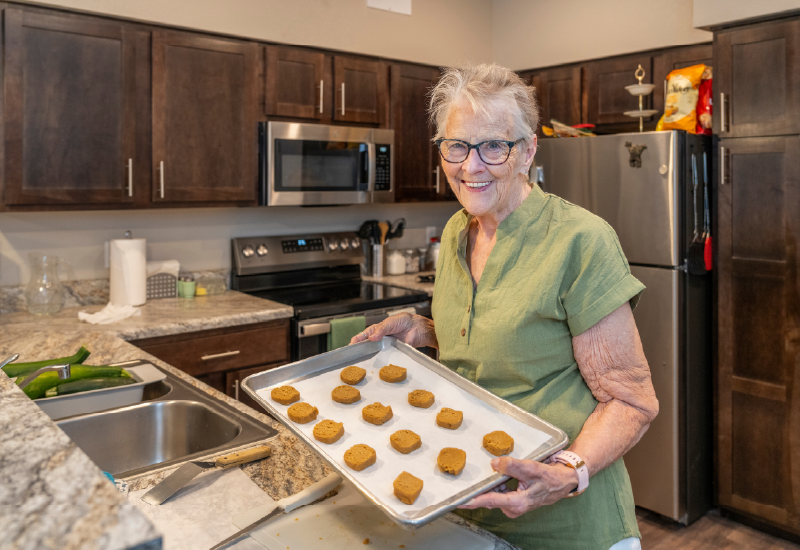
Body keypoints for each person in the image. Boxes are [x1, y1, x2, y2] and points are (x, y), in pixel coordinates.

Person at [350, 64, 659, 550]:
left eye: (494, 146)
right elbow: (499, 335)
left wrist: (566, 472)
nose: (471, 166)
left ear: (528, 150)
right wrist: (425, 329)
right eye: (457, 145)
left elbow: (632, 401)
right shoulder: (457, 232)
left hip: (566, 527)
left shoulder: (580, 241)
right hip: (464, 508)